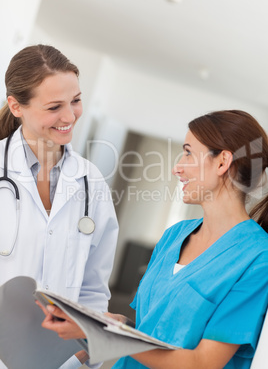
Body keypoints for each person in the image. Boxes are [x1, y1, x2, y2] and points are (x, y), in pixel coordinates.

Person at [38, 110, 268, 369]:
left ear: (222, 162)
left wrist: (109, 335)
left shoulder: (258, 259)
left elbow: (203, 363)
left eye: (189, 152)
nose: (177, 167)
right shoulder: (175, 235)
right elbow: (149, 328)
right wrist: (93, 325)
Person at [0, 44, 118, 368]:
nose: (69, 117)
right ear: (16, 106)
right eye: (54, 107)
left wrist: (82, 354)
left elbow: (94, 288)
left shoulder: (91, 184)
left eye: (76, 101)